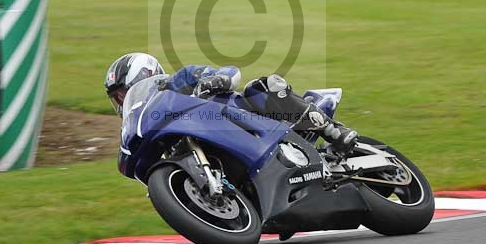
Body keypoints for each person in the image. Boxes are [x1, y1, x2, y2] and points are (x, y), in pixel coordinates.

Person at [104, 52, 358, 154]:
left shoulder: (180, 80)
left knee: (262, 86)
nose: (122, 101)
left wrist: (214, 81)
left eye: (123, 93)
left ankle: (333, 130)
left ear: (144, 76)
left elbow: (231, 72)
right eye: (117, 99)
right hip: (218, 143)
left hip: (241, 117)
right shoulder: (150, 122)